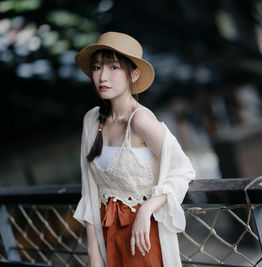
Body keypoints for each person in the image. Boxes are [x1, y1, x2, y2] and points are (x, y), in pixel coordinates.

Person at [73, 31, 196, 267]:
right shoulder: (91, 120)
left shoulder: (140, 121)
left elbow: (184, 170)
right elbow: (90, 191)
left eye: (114, 67)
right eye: (97, 67)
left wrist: (147, 208)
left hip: (143, 237)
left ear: (134, 74)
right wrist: (94, 254)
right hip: (107, 235)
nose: (102, 76)